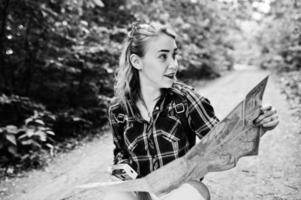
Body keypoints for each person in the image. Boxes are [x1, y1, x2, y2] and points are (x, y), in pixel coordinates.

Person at [104, 21, 279, 200]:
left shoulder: (186, 100)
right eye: (163, 57)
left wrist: (259, 126)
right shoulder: (118, 109)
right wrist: (121, 170)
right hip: (142, 192)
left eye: (174, 55)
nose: (174, 65)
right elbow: (121, 153)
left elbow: (223, 142)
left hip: (181, 191)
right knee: (113, 195)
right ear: (136, 61)